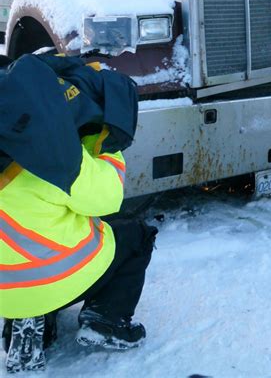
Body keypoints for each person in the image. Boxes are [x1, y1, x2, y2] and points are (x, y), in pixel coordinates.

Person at [0, 54, 157, 372]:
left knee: (27, 235)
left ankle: (29, 324)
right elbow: (109, 199)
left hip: (5, 292)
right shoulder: (58, 159)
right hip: (53, 279)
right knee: (136, 235)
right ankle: (105, 320)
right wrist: (104, 145)